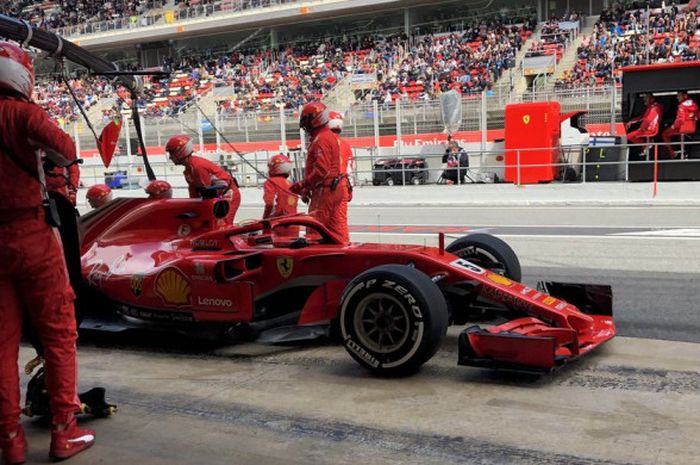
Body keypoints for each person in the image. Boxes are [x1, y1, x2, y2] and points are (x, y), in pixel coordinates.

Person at [0, 41, 95, 464]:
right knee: (59, 335)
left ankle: (9, 440)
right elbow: (65, 150)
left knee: (2, 345)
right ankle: (63, 431)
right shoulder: (23, 113)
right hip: (32, 235)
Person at [290, 102, 350, 244]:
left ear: (314, 119)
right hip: (336, 188)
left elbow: (321, 171)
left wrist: (302, 185)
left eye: (306, 121)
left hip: (325, 190)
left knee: (313, 229)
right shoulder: (329, 137)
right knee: (337, 231)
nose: (305, 125)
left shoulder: (321, 139)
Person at [165, 135, 240, 225]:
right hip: (219, 196)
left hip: (228, 194)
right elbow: (194, 194)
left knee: (223, 225)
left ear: (180, 153)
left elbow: (207, 193)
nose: (170, 157)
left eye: (172, 154)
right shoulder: (189, 170)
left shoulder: (197, 167)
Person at [662, 90, 698, 158]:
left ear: (685, 96)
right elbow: (697, 116)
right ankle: (684, 151)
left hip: (683, 128)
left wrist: (673, 126)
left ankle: (672, 153)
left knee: (665, 134)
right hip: (691, 128)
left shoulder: (682, 106)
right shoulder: (694, 104)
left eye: (679, 95)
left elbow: (680, 120)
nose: (677, 97)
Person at [328, 111, 354, 202]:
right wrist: (350, 188)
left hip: (326, 186)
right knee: (341, 216)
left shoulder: (322, 142)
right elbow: (349, 170)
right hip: (342, 183)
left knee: (321, 215)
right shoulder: (346, 145)